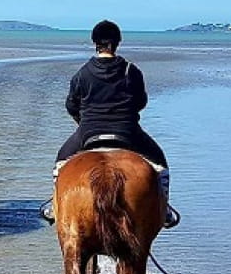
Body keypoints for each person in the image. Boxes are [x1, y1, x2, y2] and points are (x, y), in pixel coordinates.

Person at [42, 20, 179, 228]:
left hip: (88, 132)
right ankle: (165, 209)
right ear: (117, 43)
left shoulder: (83, 73)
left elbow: (71, 105)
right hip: (128, 132)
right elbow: (140, 102)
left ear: (95, 43)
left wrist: (82, 120)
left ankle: (54, 206)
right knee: (160, 163)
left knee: (60, 164)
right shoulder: (131, 71)